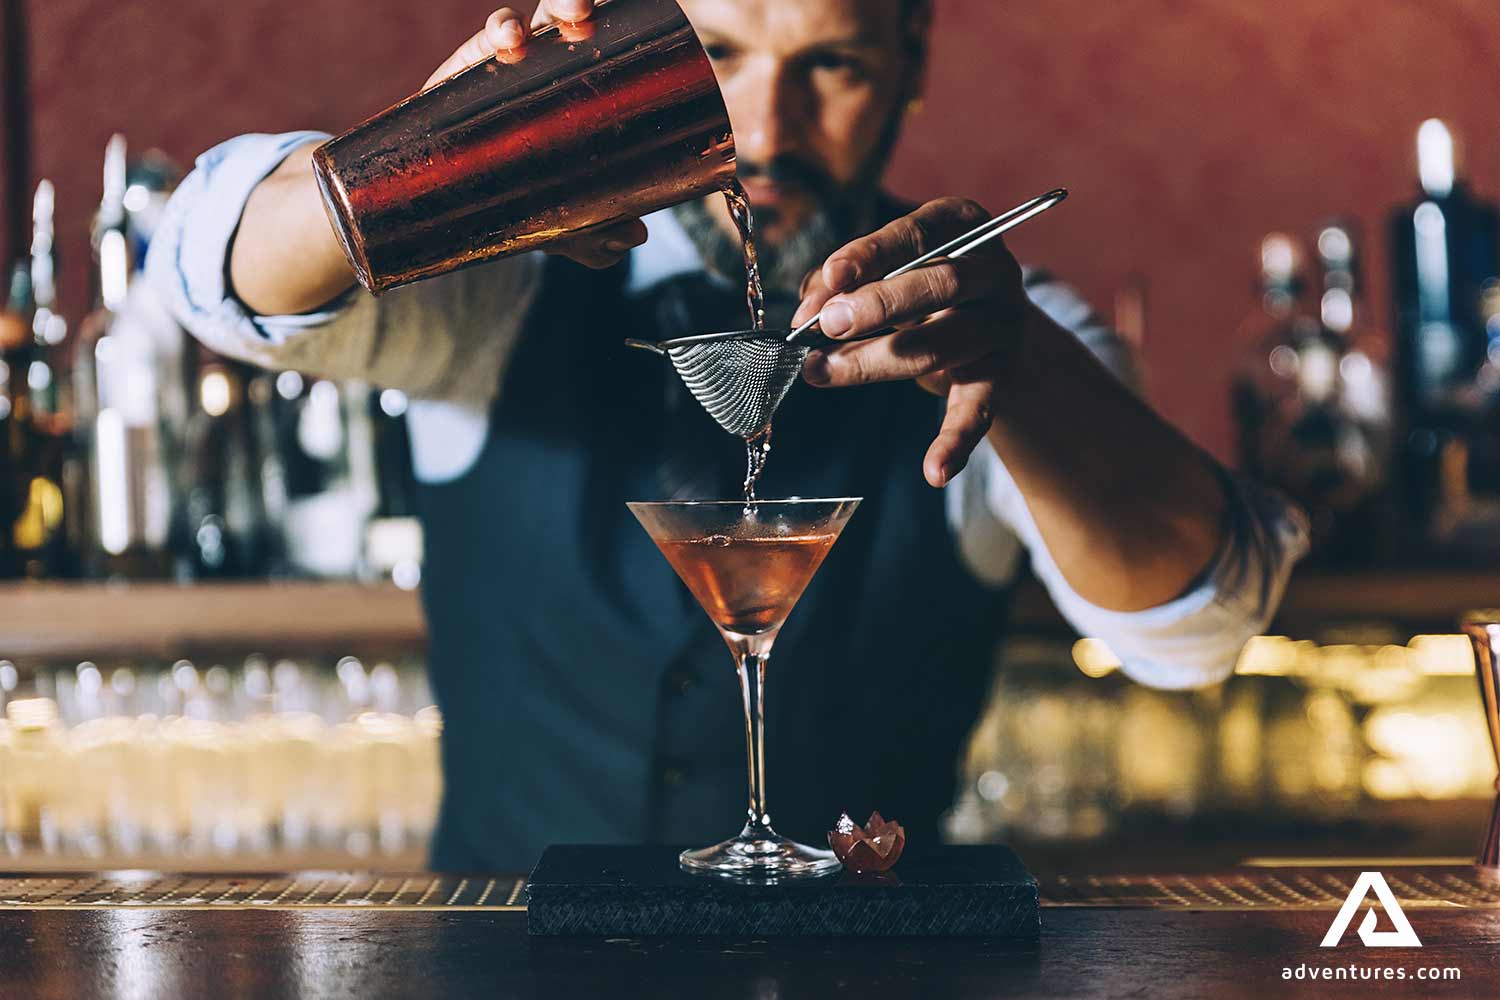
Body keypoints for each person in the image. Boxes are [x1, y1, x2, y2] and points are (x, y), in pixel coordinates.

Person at [148, 0, 1306, 872]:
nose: (761, 129)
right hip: (506, 977)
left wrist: (1025, 364)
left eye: (834, 65)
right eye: (715, 60)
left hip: (872, 979)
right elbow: (208, 277)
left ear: (912, 63)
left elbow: (1198, 630)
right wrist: (422, 169)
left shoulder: (1013, 332)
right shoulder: (489, 298)